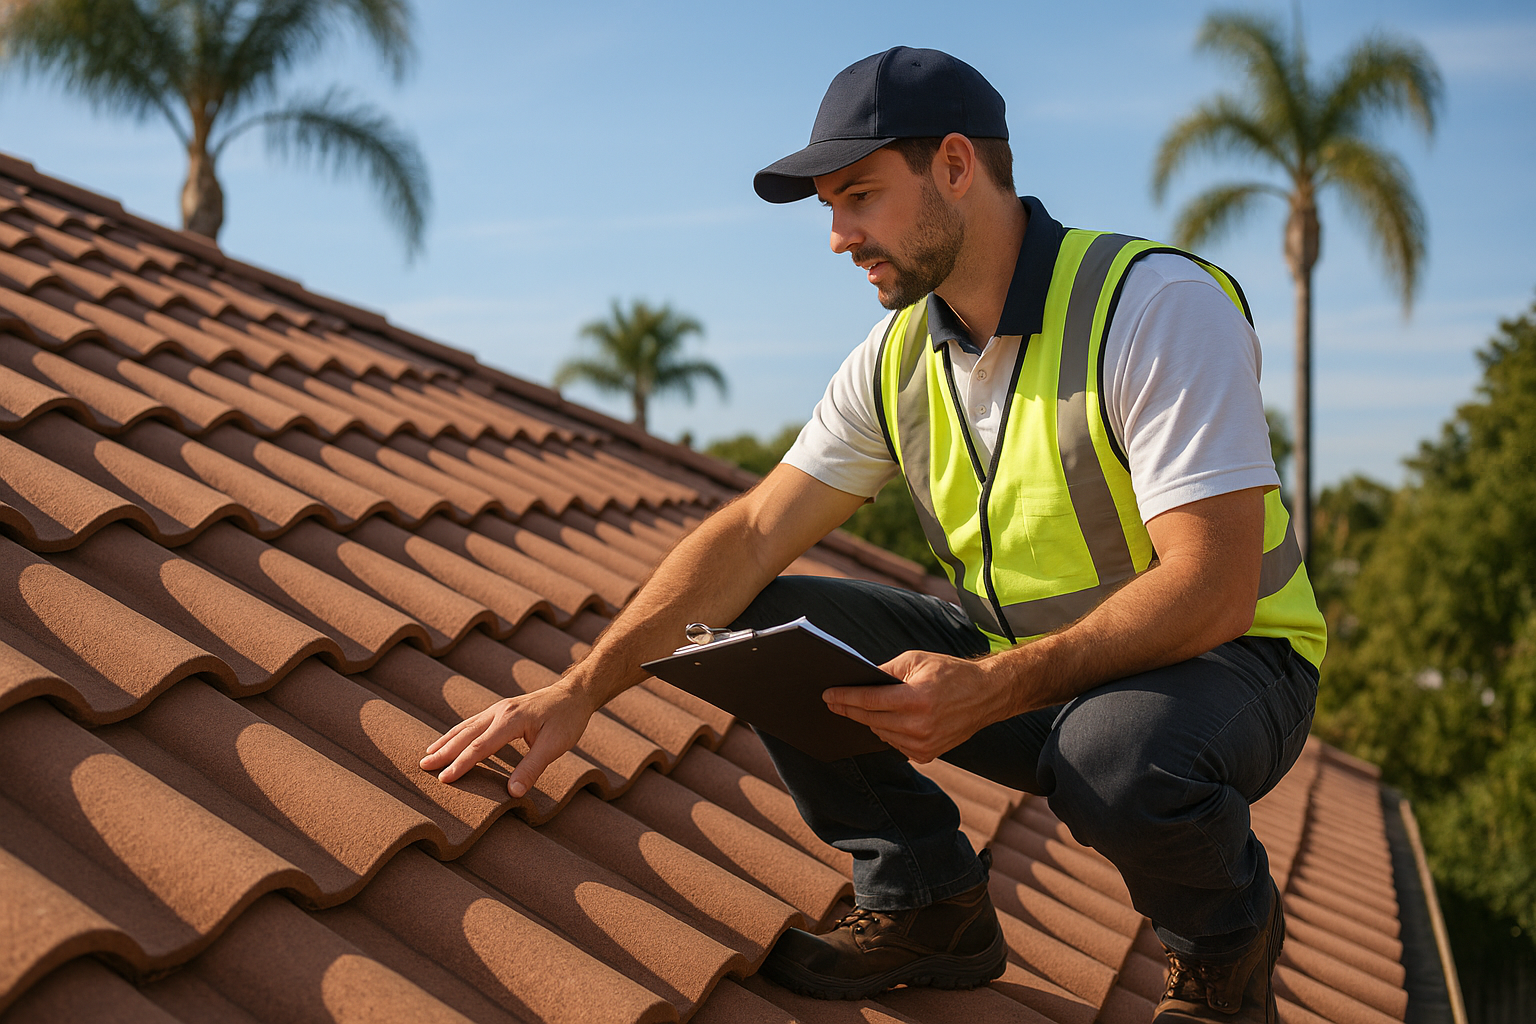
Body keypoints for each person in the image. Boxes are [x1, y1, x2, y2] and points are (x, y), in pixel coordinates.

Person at [421, 46, 1325, 1024]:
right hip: (1027, 667)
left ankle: (1226, 953)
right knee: (750, 623)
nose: (840, 236)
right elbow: (754, 533)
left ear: (953, 166)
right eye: (831, 210)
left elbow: (1216, 584)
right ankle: (928, 902)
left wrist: (991, 686)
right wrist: (582, 687)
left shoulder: (1151, 307)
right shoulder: (896, 359)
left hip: (1229, 665)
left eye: (860, 196)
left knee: (1114, 755)